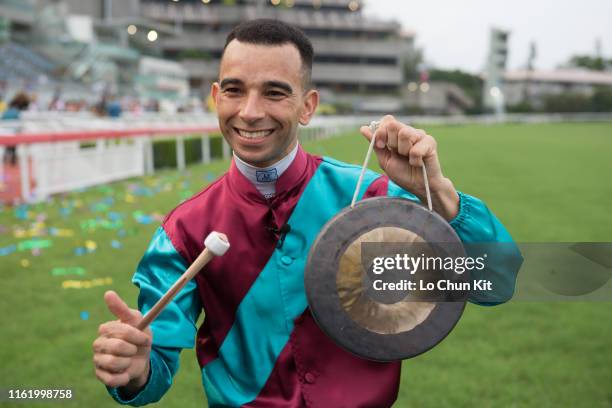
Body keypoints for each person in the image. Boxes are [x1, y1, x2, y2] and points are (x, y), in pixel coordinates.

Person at [93, 19, 521, 407]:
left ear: (308, 106)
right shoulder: (182, 230)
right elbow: (153, 370)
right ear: (215, 96)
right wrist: (134, 372)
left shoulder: (373, 196)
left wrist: (441, 195)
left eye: (275, 92)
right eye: (234, 90)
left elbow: (497, 280)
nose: (250, 111)